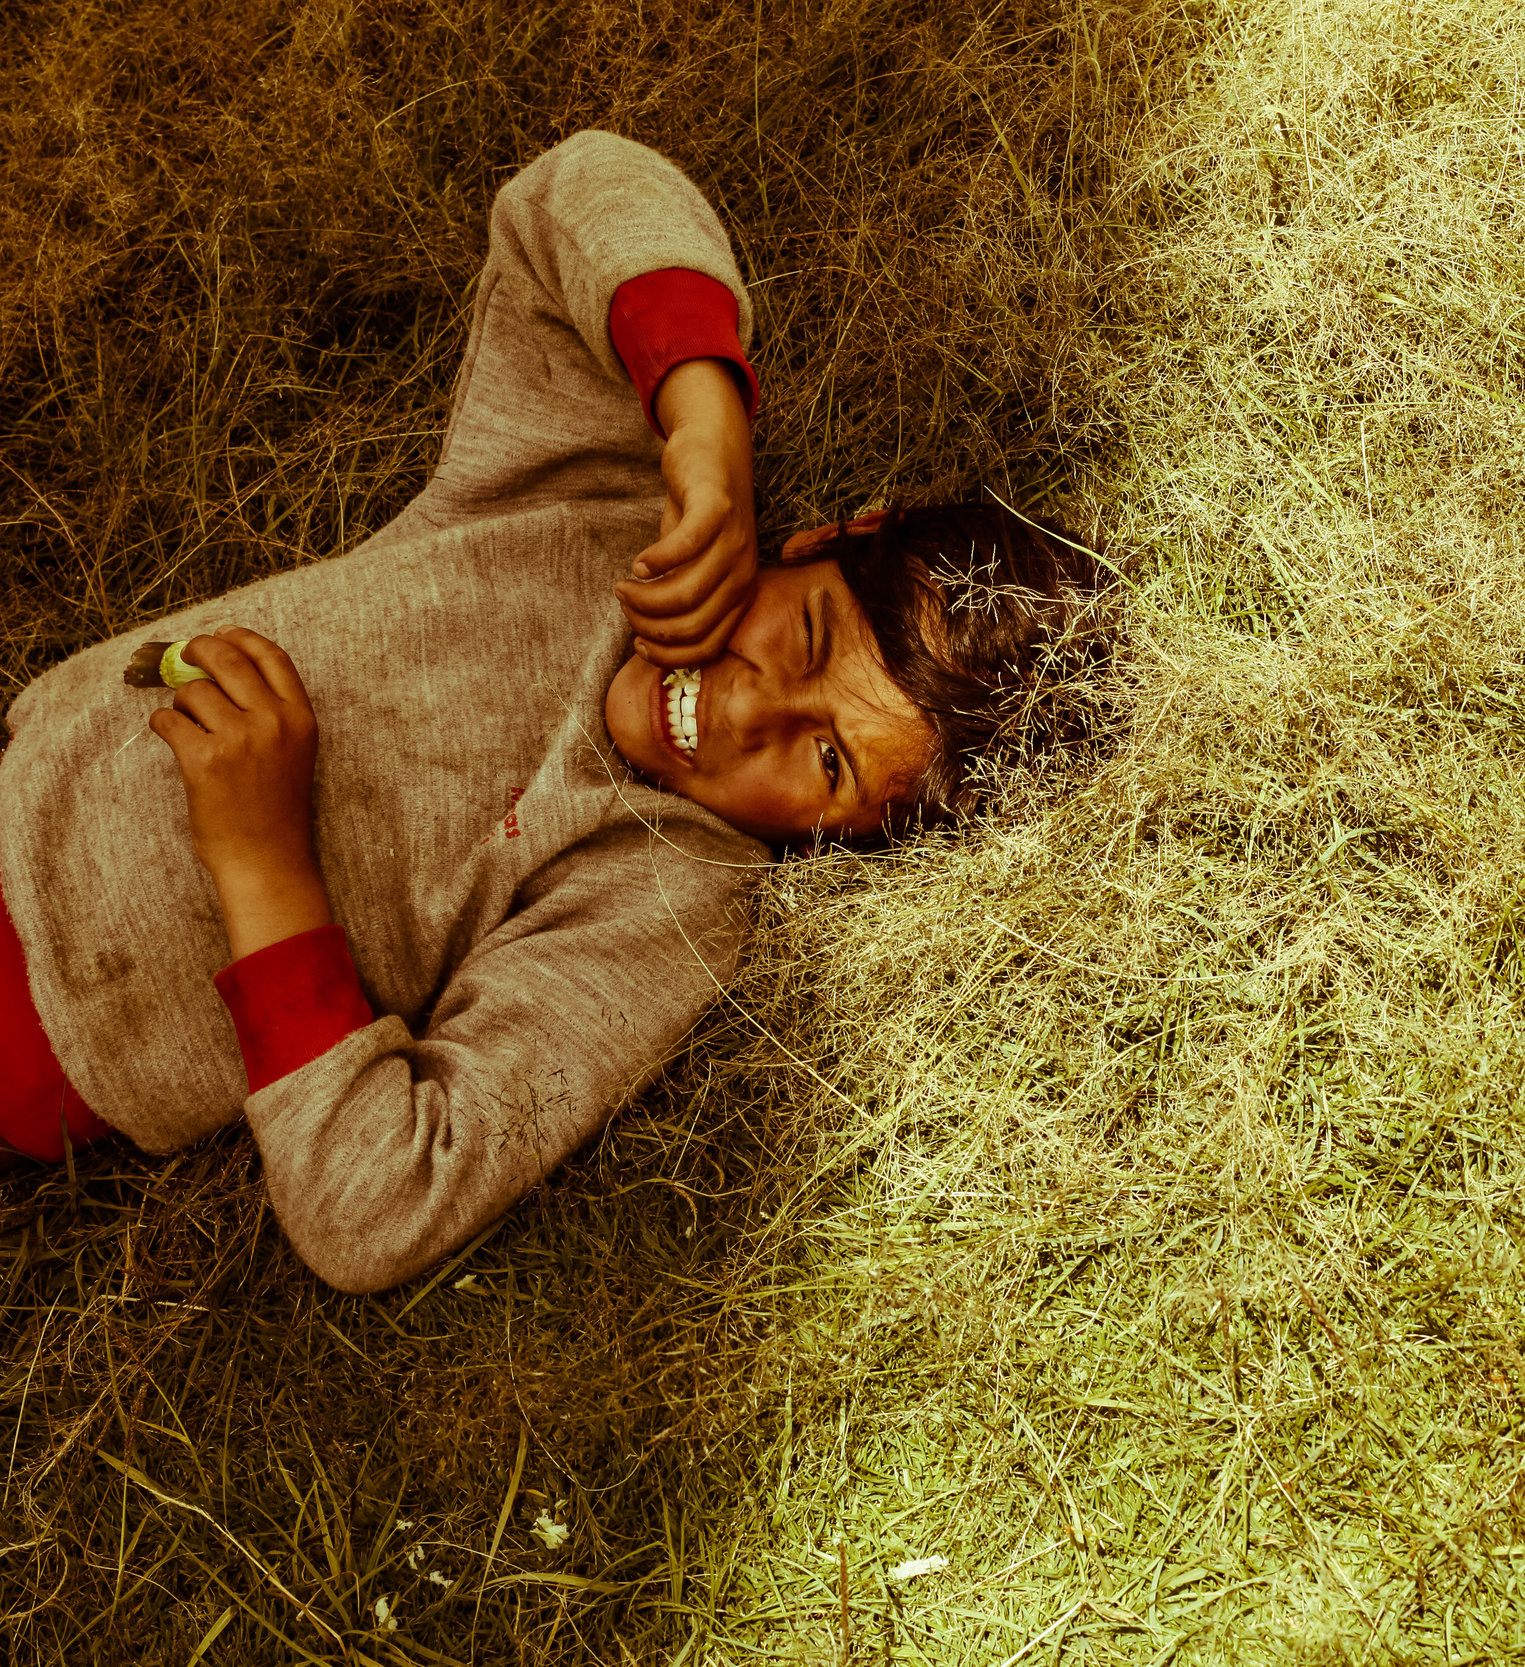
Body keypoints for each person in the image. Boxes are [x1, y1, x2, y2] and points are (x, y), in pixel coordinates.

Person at [0, 131, 1111, 1291]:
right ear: (823, 540)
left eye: (827, 762)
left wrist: (262, 860)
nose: (741, 705)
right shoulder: (598, 500)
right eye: (804, 637)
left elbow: (379, 1205)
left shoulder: (664, 902)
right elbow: (578, 188)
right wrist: (705, 430)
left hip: (41, 1026)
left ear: (858, 838)